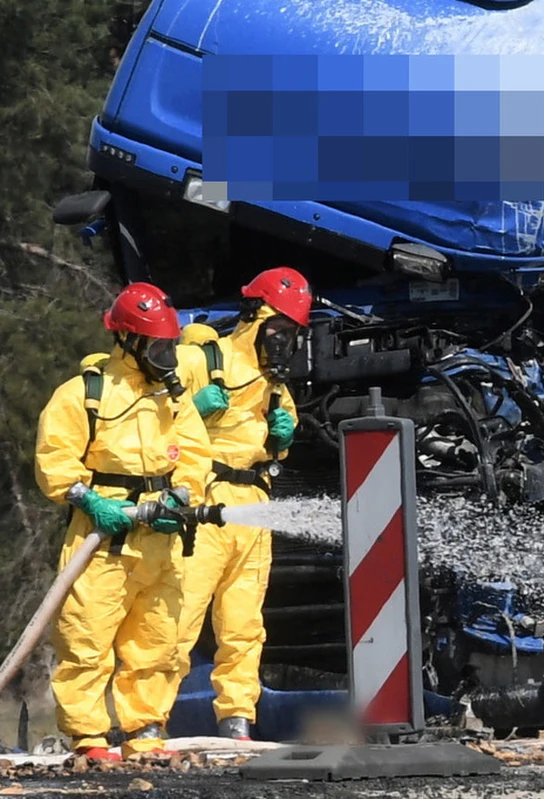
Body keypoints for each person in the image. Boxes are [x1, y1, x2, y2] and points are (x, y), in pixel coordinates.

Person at [35, 283, 212, 761]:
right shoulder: (85, 394)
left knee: (159, 639)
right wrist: (90, 502)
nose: (167, 356)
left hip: (159, 538)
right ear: (129, 342)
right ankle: (90, 738)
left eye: (170, 346)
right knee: (86, 637)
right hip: (102, 539)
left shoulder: (170, 399)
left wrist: (181, 494)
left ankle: (145, 732)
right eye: (158, 347)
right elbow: (55, 460)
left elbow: (195, 453)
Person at [165, 267, 310, 741]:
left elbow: (276, 438)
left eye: (293, 333)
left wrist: (283, 439)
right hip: (205, 504)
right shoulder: (199, 361)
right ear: (254, 318)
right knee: (177, 620)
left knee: (245, 624)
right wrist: (189, 410)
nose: (285, 341)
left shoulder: (275, 385)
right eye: (279, 330)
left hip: (254, 506)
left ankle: (237, 719)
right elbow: (141, 419)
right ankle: (146, 720)